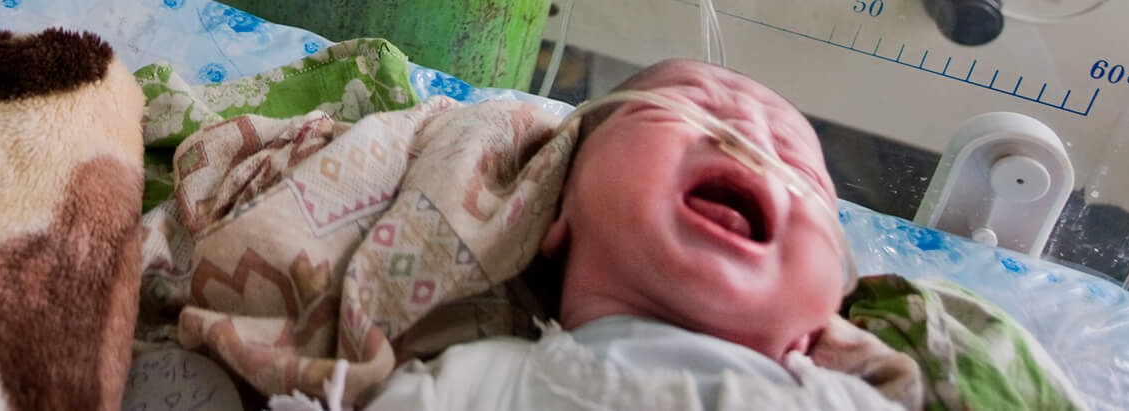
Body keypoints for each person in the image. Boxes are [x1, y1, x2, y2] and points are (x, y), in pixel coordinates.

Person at [365, 59, 884, 409]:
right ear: (554, 208)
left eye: (797, 166)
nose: (748, 138)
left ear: (825, 313)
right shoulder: (469, 387)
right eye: (686, 108)